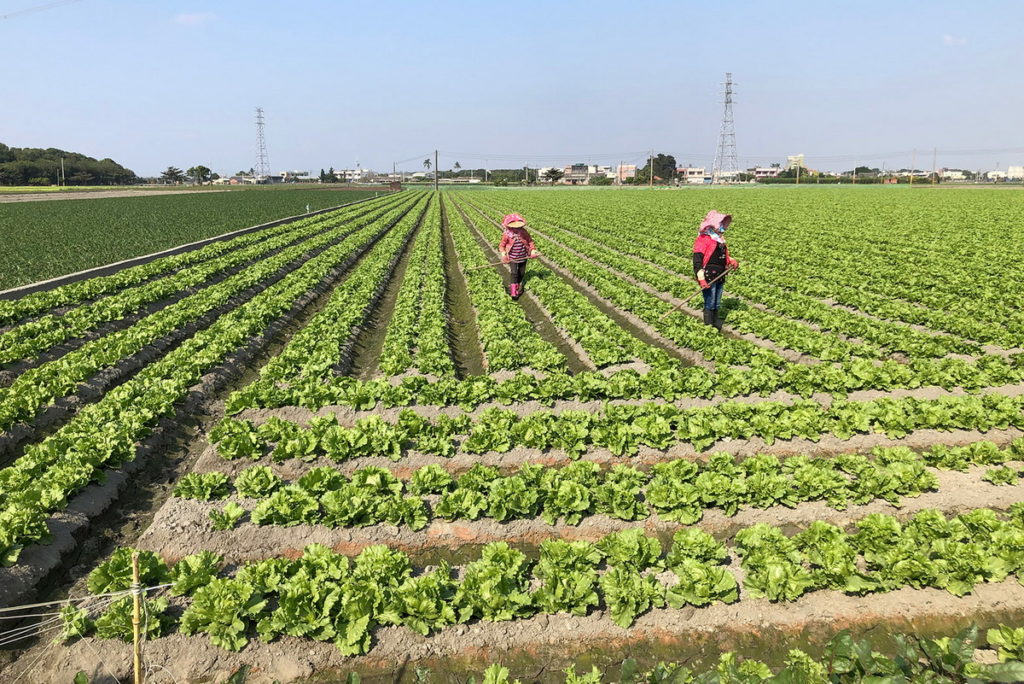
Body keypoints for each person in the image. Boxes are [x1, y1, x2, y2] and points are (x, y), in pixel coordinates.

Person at [692, 210, 739, 330]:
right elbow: (697, 259)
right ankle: (709, 326)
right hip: (708, 275)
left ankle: (715, 326)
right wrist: (701, 278)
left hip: (720, 274)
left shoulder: (720, 240)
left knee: (717, 302)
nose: (723, 227)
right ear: (714, 225)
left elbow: (722, 256)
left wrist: (731, 260)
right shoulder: (703, 239)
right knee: (710, 302)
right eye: (721, 224)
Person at [499, 213, 538, 299]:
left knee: (521, 273)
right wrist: (504, 254)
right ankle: (513, 291)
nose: (516, 228)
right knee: (514, 273)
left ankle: (517, 284)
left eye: (518, 227)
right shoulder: (507, 234)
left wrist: (533, 251)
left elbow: (530, 241)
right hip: (512, 258)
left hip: (523, 256)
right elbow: (502, 245)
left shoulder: (524, 232)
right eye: (514, 227)